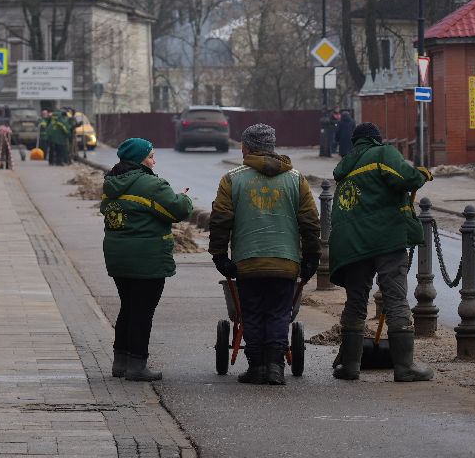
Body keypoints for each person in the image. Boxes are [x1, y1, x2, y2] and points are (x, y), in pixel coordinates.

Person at [209, 123, 321, 386]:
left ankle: (257, 367)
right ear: (271, 147)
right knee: (279, 313)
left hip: (248, 261)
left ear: (246, 148)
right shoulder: (296, 179)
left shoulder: (232, 179)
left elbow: (220, 220)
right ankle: (274, 368)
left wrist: (219, 255)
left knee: (253, 312)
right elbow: (310, 221)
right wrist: (312, 256)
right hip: (286, 261)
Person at [328, 121, 434, 382]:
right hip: (384, 237)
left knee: (355, 301)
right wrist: (421, 174)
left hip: (350, 244)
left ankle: (351, 366)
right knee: (395, 298)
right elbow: (406, 179)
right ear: (376, 139)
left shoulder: (346, 169)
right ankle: (404, 367)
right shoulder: (382, 154)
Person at [100, 138, 192, 382]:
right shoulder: (151, 184)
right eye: (151, 156)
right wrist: (183, 197)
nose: (154, 160)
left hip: (117, 257)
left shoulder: (111, 183)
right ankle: (137, 365)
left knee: (128, 307)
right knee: (142, 311)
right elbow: (177, 211)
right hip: (147, 258)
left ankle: (120, 362)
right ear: (140, 159)